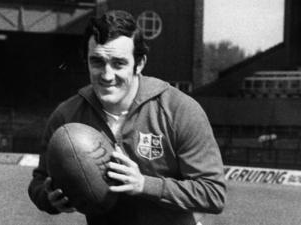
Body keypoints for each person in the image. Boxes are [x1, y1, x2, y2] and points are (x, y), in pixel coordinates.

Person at [28, 10, 226, 225]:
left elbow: (212, 193)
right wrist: (49, 199)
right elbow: (39, 182)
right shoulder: (67, 116)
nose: (106, 75)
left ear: (139, 64)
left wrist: (144, 184)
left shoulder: (179, 110)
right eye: (97, 61)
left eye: (118, 63)